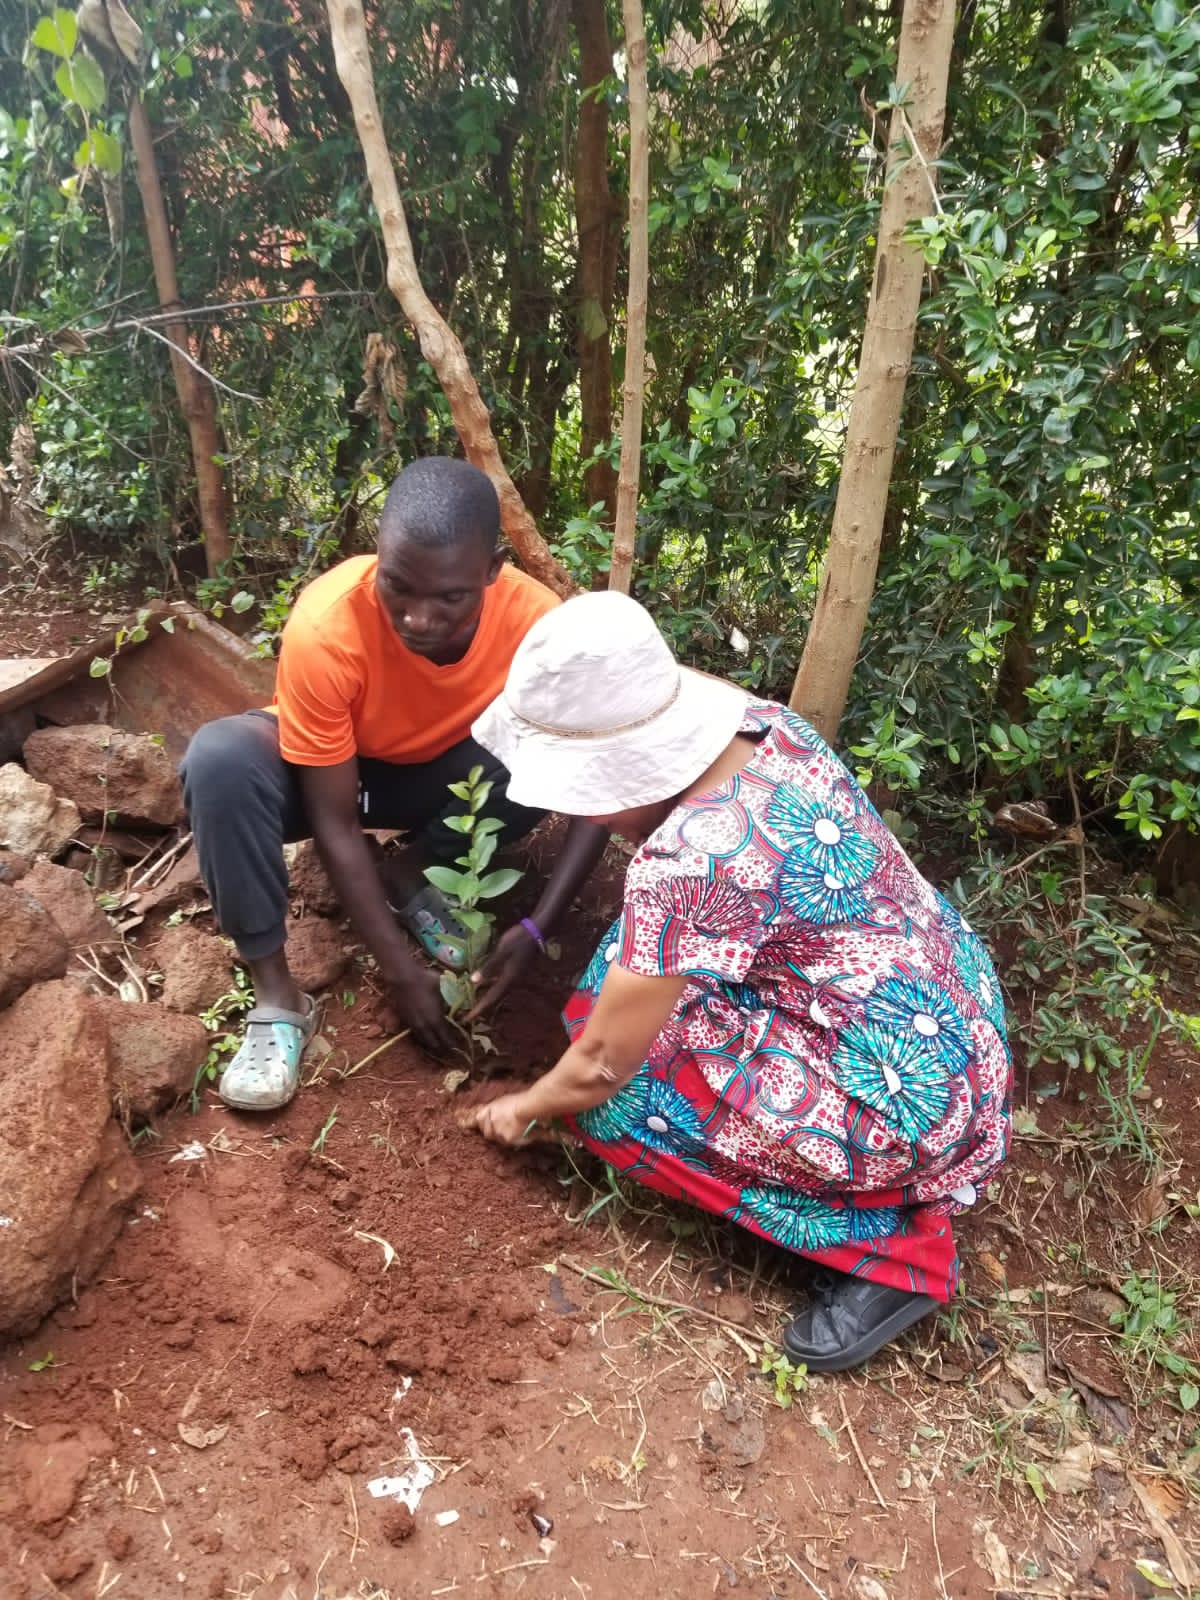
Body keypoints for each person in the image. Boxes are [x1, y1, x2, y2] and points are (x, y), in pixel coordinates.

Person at [465, 592, 1011, 1373]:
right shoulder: (768, 729)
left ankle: (895, 1256)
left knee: (625, 1104)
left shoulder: (688, 863)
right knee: (617, 977)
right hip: (955, 1023)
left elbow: (599, 1067)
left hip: (901, 1103)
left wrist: (524, 1108)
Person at [180, 458, 606, 1113]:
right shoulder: (328, 626)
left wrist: (537, 924)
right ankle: (277, 1000)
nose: (418, 618)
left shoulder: (536, 623)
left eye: (450, 598)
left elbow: (596, 784)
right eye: (398, 587)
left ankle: (411, 871)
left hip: (447, 771)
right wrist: (401, 973)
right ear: (376, 555)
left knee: (543, 747)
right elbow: (335, 819)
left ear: (493, 570)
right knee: (219, 762)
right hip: (336, 775)